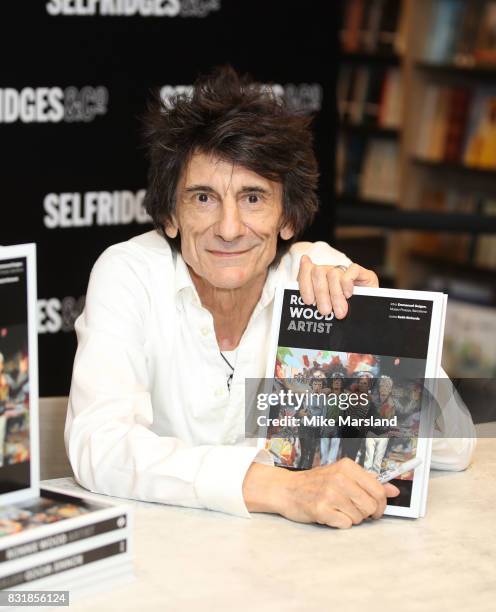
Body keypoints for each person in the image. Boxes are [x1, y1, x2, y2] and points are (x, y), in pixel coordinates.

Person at [65, 66, 476, 530]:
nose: (229, 227)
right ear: (169, 215)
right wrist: (280, 489)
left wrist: (377, 332)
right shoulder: (128, 273)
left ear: (288, 219)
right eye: (203, 198)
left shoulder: (316, 274)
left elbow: (454, 448)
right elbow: (99, 446)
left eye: (254, 198)